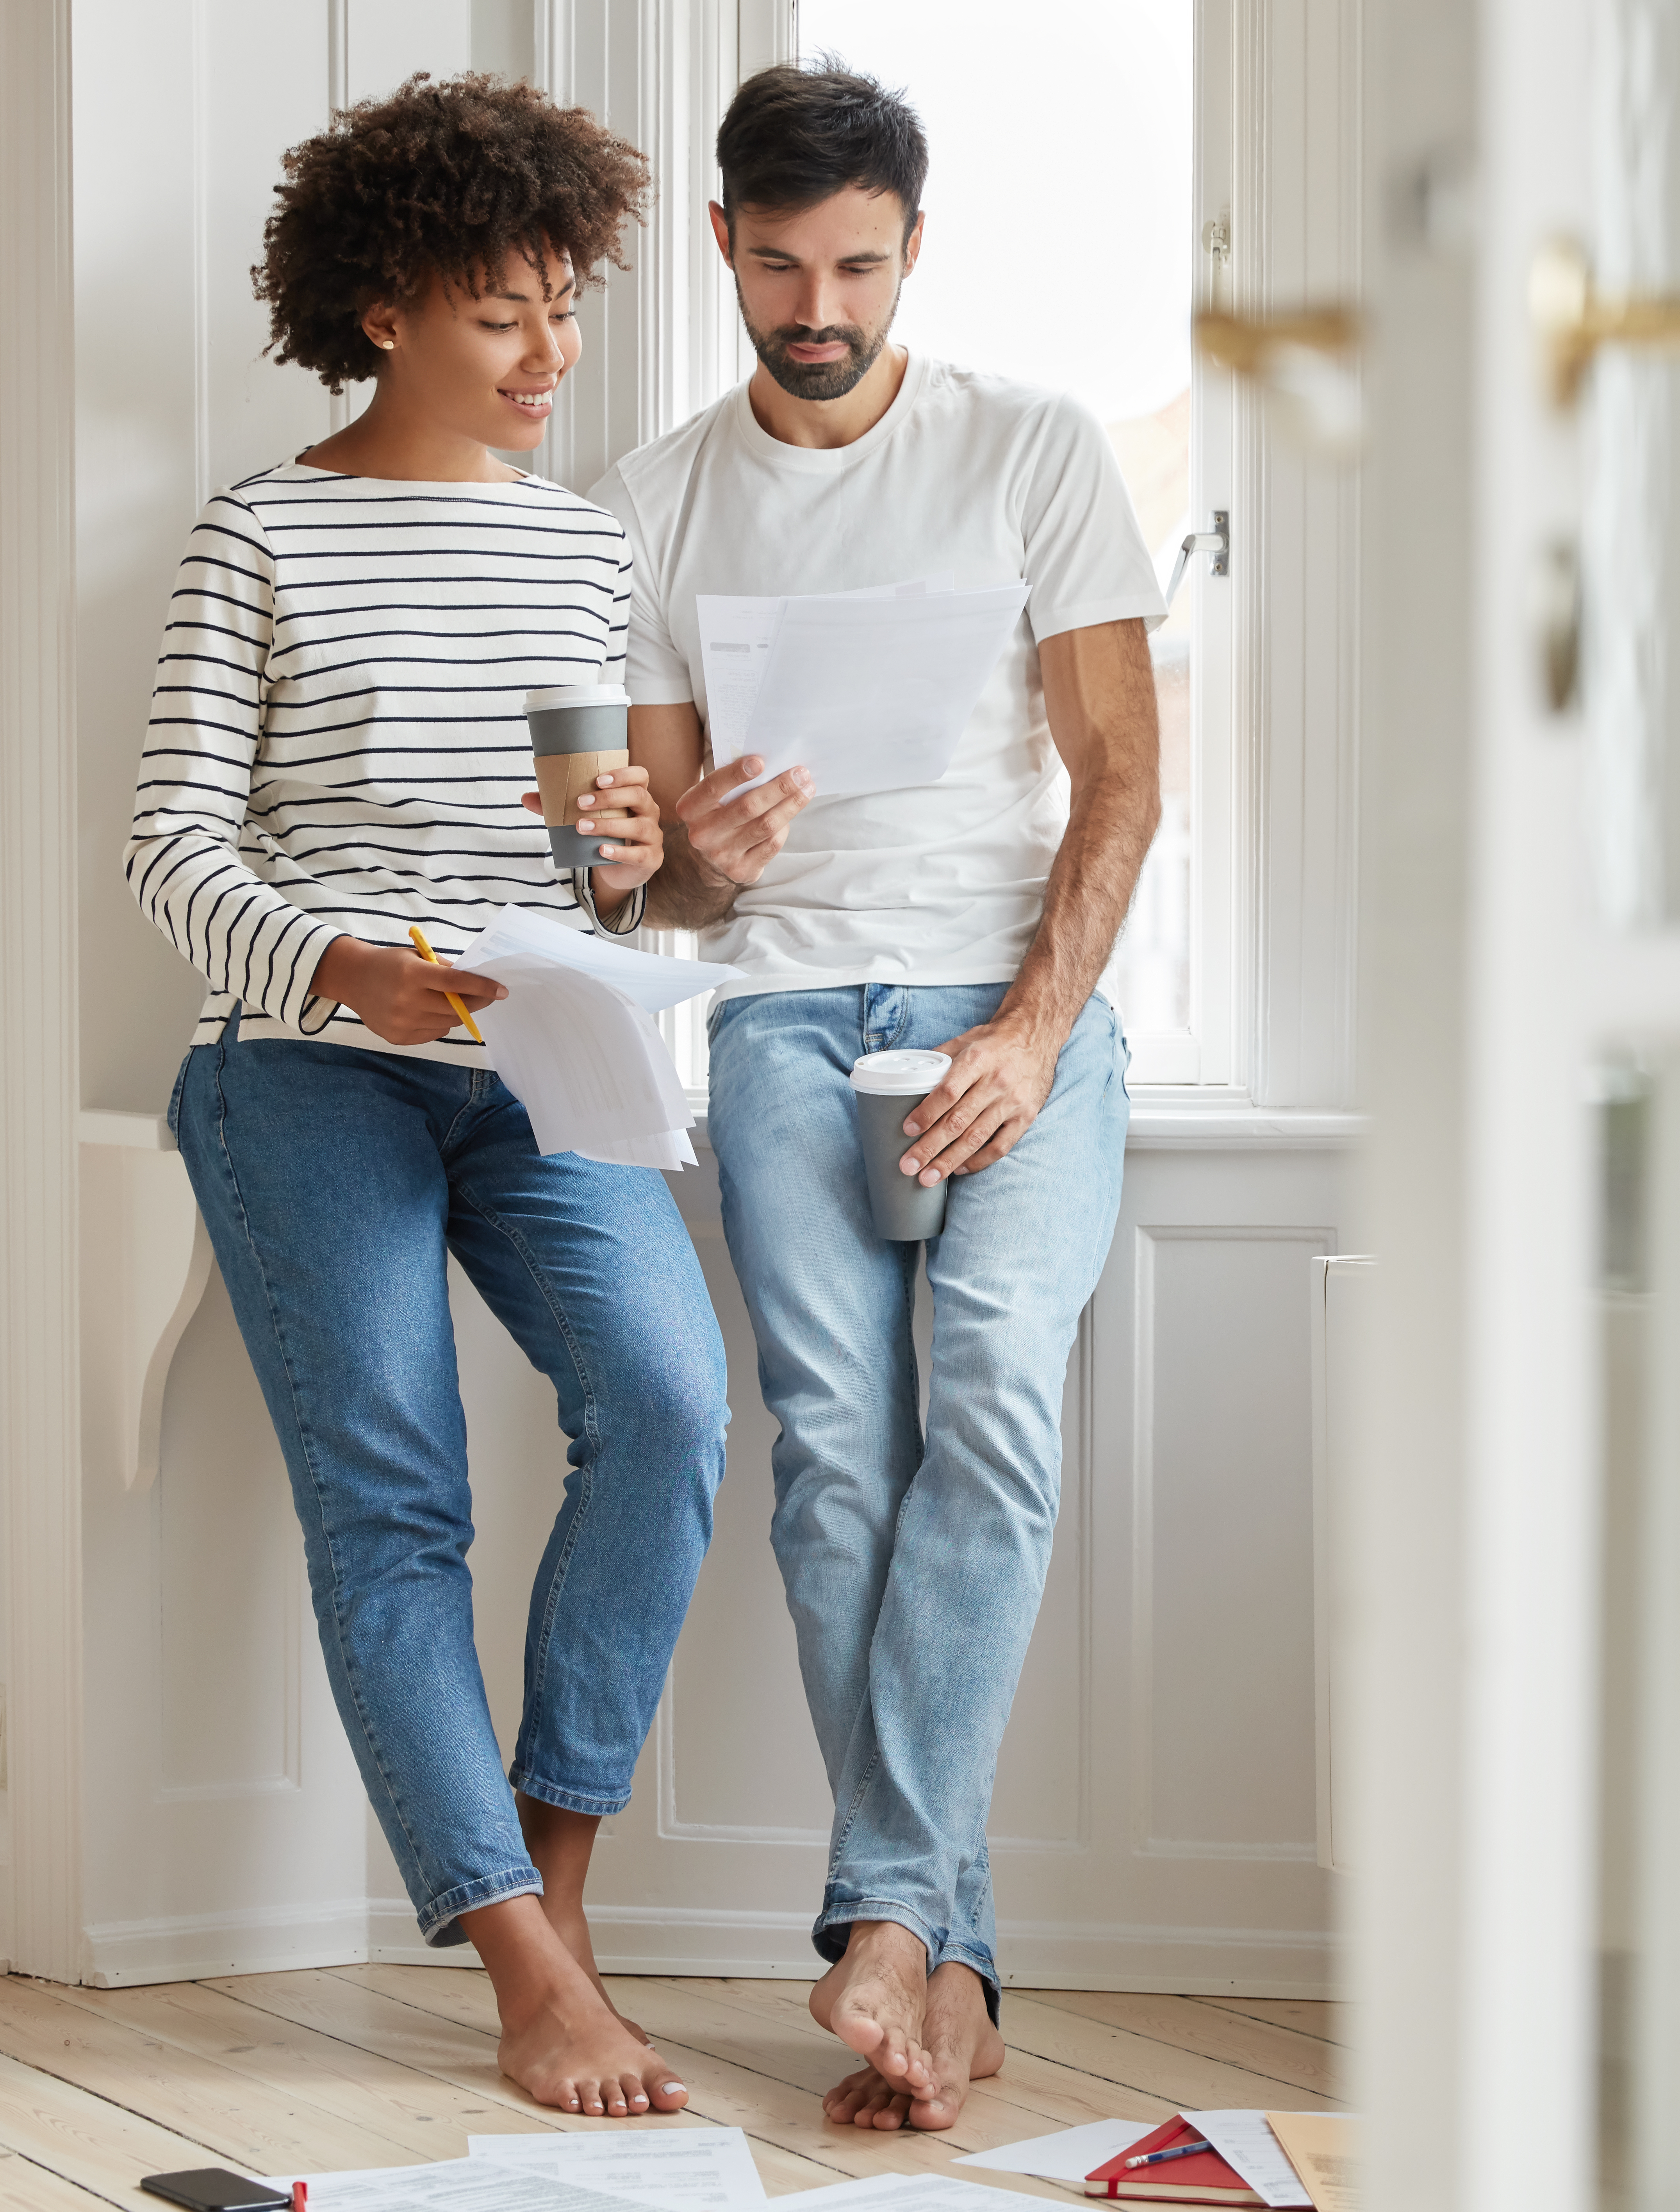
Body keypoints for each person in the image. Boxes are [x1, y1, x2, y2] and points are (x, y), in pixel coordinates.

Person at [122, 73, 716, 2119]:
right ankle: (519, 1964)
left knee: (667, 1405)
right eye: (505, 314)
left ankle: (548, 1888)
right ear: (384, 311)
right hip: (307, 1074)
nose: (556, 352)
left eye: (566, 303)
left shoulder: (580, 548)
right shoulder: (258, 532)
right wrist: (335, 964)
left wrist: (619, 851)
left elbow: (575, 851)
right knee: (398, 1499)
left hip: (540, 1056)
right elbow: (175, 849)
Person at [585, 61, 1166, 2135]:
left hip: (1007, 1005)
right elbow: (643, 872)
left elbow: (1121, 772)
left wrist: (1029, 1030)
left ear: (913, 253)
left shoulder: (1030, 448)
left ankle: (886, 1920)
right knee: (838, 1449)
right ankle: (941, 1946)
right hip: (780, 1015)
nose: (813, 302)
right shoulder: (653, 498)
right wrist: (701, 860)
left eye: (852, 264)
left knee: (994, 1400)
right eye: (774, 264)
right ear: (724, 253)